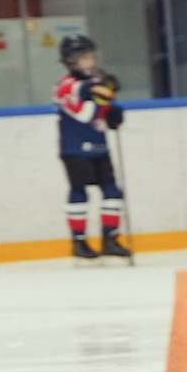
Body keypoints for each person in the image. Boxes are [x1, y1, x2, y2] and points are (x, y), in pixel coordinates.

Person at [54, 32, 132, 260]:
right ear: (70, 60)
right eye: (84, 57)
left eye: (91, 57)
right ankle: (79, 242)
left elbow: (106, 118)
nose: (90, 61)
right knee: (79, 191)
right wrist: (102, 92)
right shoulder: (66, 85)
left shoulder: (95, 83)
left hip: (99, 145)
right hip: (74, 148)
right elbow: (83, 112)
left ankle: (110, 238)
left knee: (112, 190)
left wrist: (114, 113)